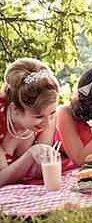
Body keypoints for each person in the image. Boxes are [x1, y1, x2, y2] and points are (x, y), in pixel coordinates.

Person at [0, 58, 59, 186]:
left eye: (52, 113)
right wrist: (30, 154)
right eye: (38, 116)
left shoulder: (48, 117)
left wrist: (42, 161)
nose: (47, 123)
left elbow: (41, 169)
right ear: (15, 109)